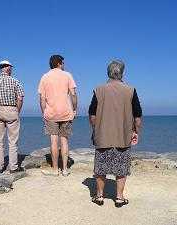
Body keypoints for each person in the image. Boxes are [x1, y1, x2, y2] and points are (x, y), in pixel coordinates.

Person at [88, 60, 142, 207]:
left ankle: (99, 196)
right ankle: (119, 197)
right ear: (123, 73)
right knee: (121, 167)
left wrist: (95, 129)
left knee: (101, 167)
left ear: (108, 73)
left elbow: (92, 114)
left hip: (102, 135)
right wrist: (136, 132)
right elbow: (137, 115)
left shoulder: (98, 90)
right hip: (123, 136)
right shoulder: (131, 90)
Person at [38, 55, 77, 176]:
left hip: (51, 113)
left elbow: (42, 98)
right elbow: (73, 94)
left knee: (53, 140)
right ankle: (65, 169)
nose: (64, 65)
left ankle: (55, 170)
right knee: (64, 140)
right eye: (63, 63)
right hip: (65, 112)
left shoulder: (45, 77)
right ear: (59, 63)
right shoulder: (67, 75)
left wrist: (43, 111)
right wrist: (75, 109)